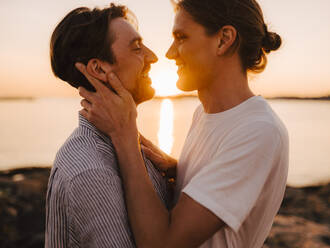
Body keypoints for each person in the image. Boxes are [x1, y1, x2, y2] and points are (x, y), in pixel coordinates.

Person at [77, 0, 289, 247]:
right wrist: (182, 172)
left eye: (181, 38)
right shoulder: (204, 114)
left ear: (224, 39)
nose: (169, 53)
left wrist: (125, 137)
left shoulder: (258, 130)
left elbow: (163, 243)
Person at [45, 4, 170, 247]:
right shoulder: (92, 173)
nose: (152, 56)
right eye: (136, 48)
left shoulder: (129, 145)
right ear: (99, 69)